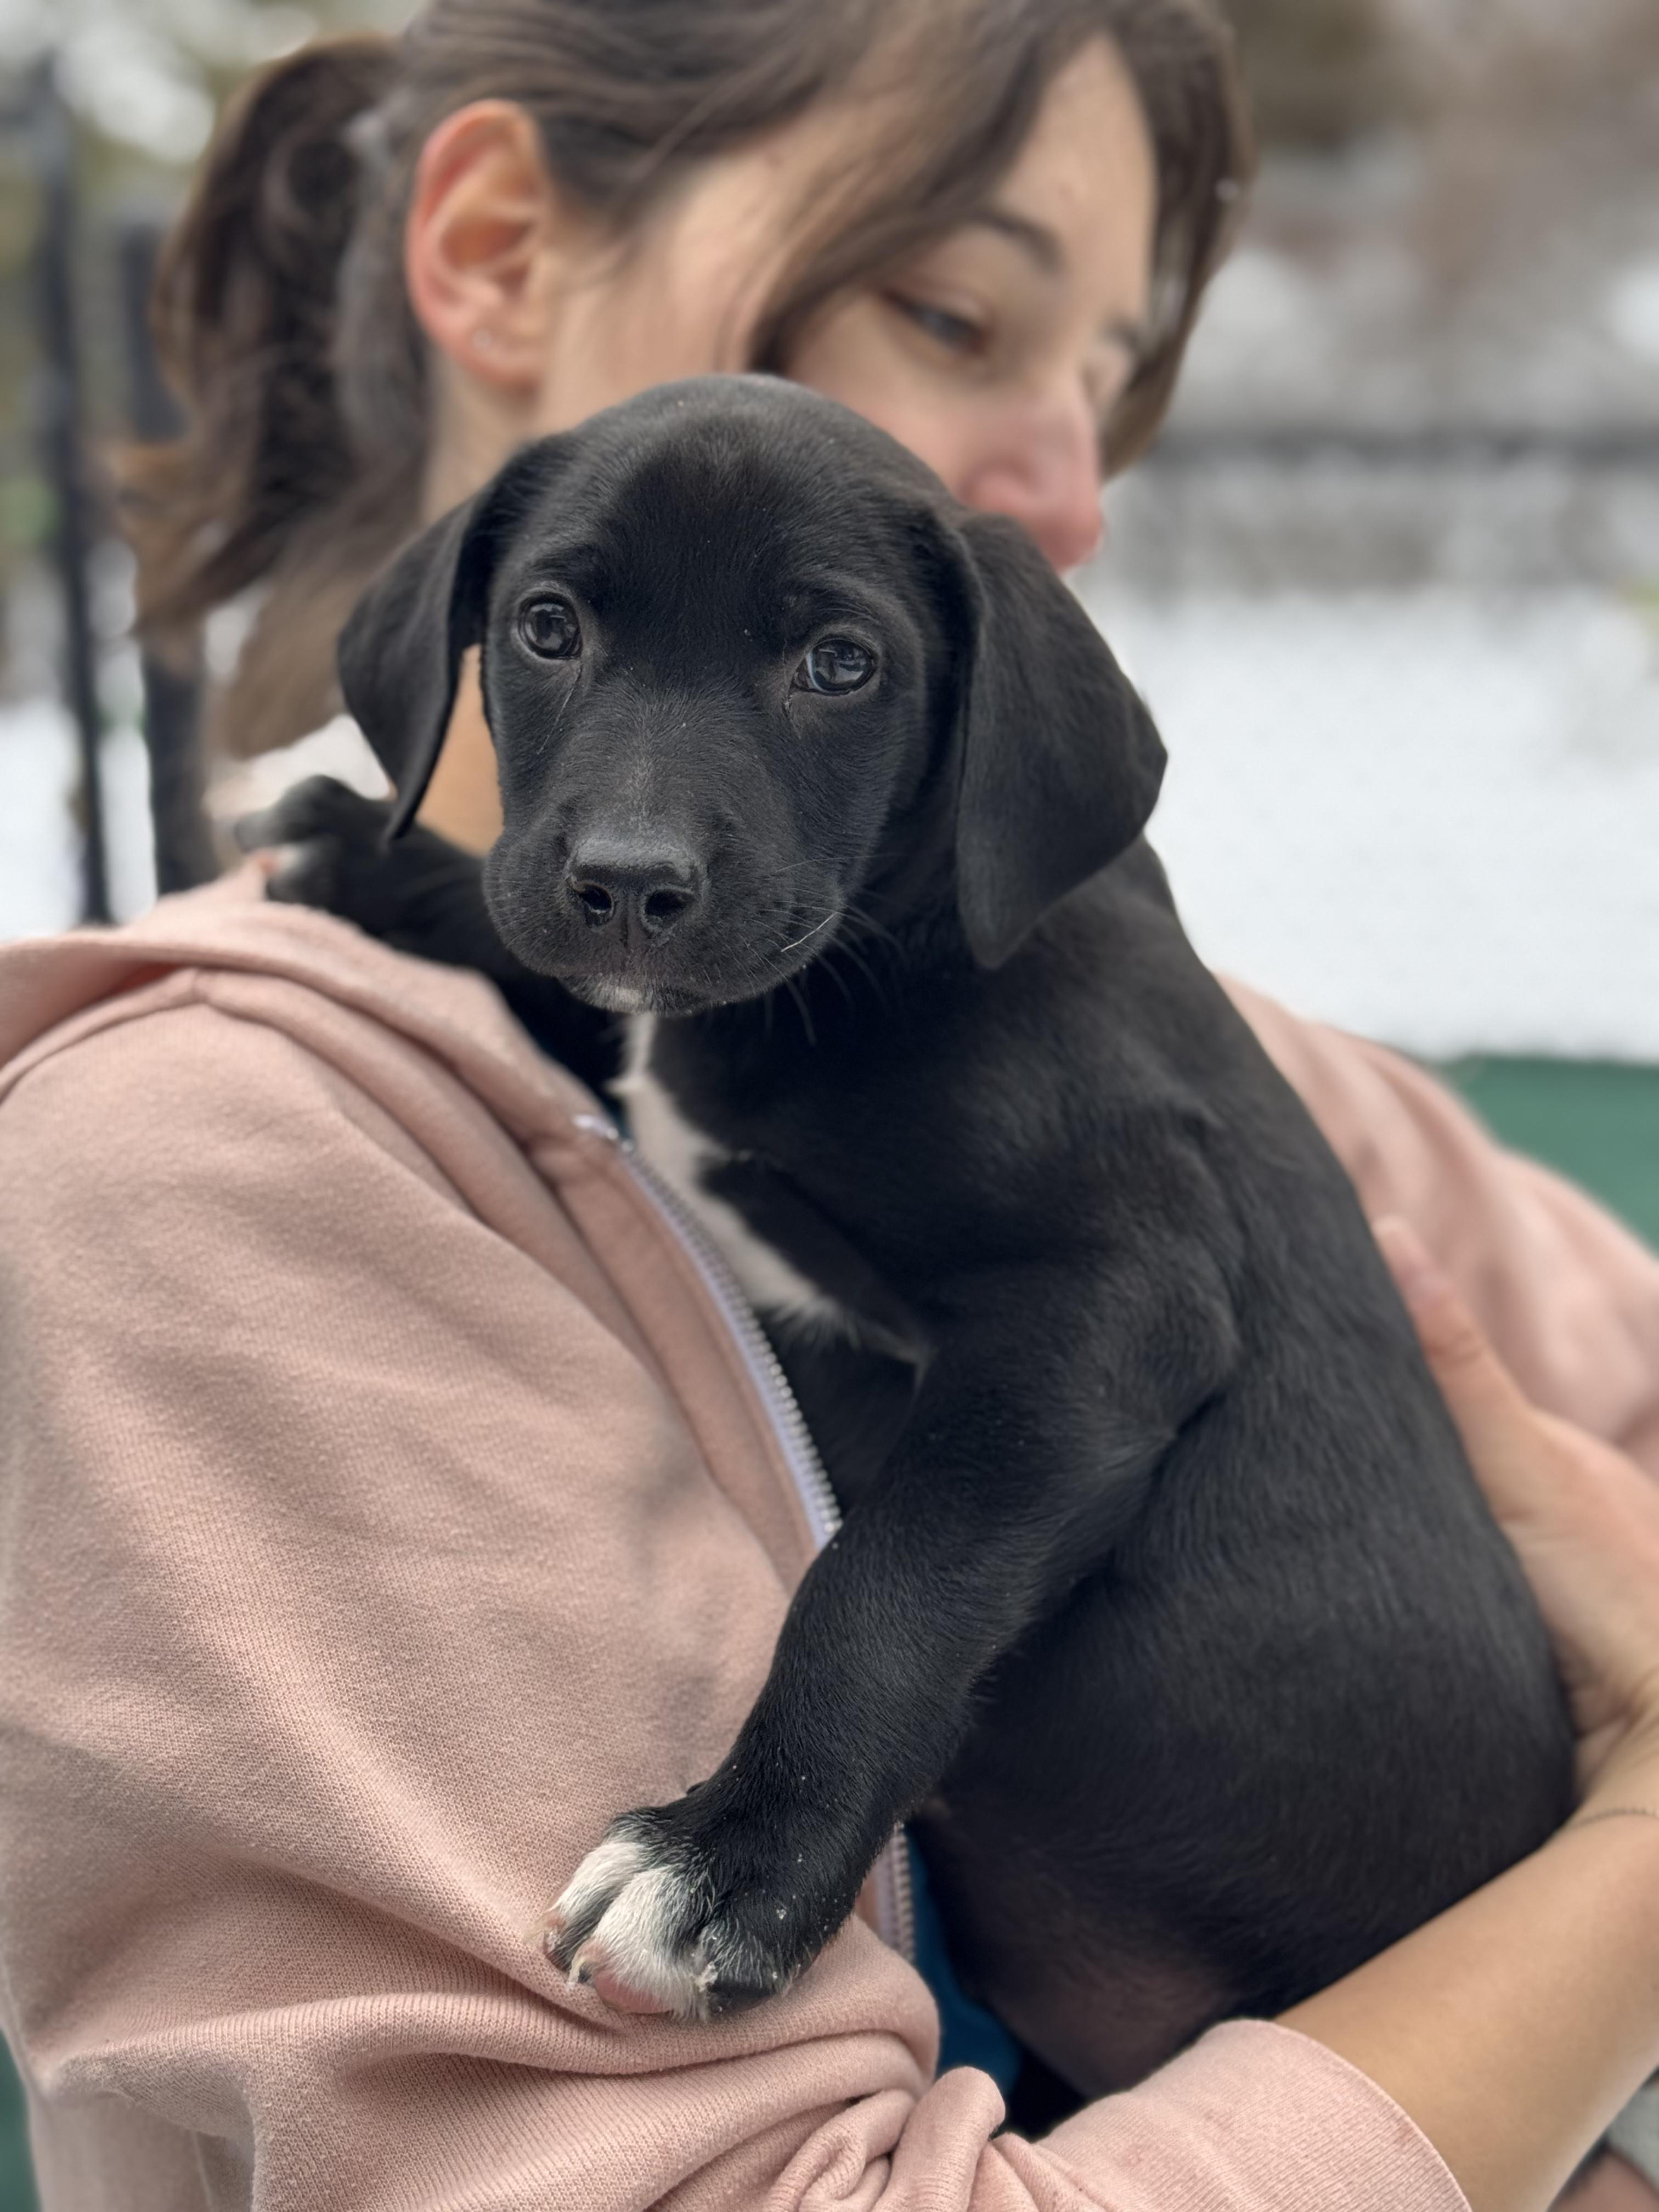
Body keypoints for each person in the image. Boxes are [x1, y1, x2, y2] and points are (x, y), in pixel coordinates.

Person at [2, 1, 1658, 2203]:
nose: (1063, 477)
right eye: (958, 307)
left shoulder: (1185, 1056)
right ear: (493, 250)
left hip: (1318, 1916)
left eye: (1119, 378)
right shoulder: (205, 1192)